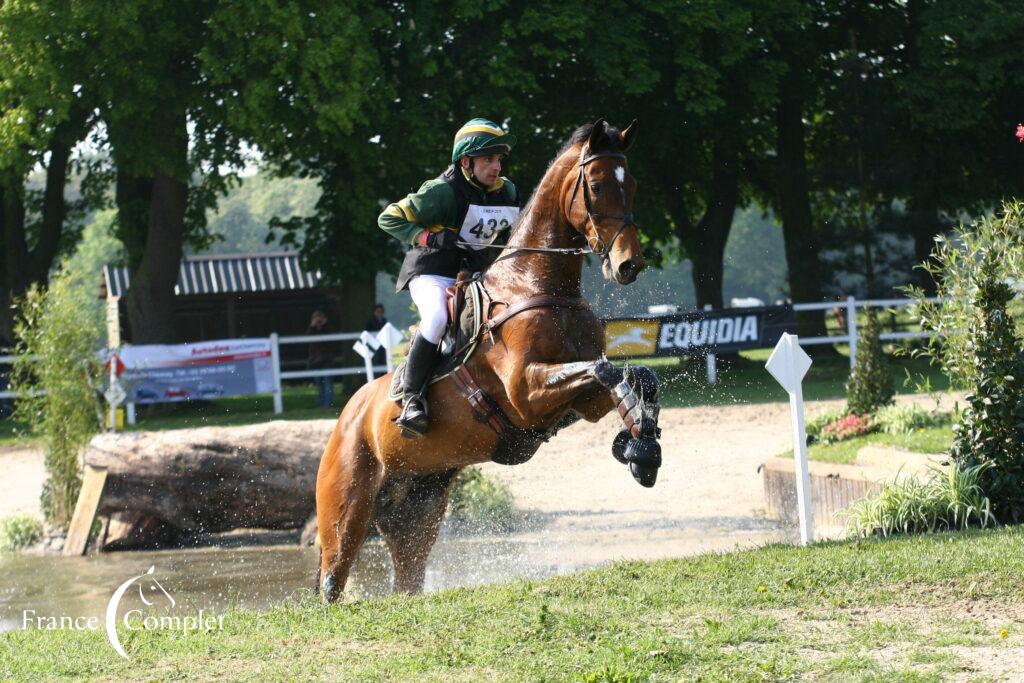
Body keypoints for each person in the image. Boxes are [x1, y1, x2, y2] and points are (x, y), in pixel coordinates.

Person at [378, 117, 521, 437]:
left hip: (476, 274)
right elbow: (388, 218)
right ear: (466, 162)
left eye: (499, 159)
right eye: (488, 159)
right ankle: (411, 397)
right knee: (438, 318)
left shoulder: (507, 191)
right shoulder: (441, 192)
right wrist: (427, 237)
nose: (496, 166)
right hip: (432, 273)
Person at [307, 310, 335, 408]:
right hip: (316, 361)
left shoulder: (327, 329)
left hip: (327, 360)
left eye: (320, 318)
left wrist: (325, 325)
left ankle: (328, 404)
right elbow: (308, 339)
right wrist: (312, 326)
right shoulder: (311, 330)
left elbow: (331, 340)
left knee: (328, 384)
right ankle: (322, 403)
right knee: (319, 384)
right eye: (316, 318)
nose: (318, 321)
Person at [364, 304, 388, 378]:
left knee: (384, 363)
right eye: (378, 311)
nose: (379, 313)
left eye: (381, 311)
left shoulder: (385, 321)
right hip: (374, 347)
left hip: (383, 347)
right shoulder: (370, 322)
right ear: (374, 312)